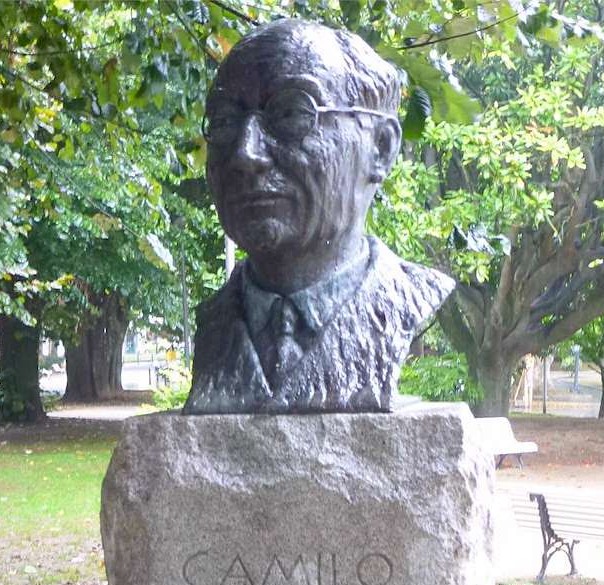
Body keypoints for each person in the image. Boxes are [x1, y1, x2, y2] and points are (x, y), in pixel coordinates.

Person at [184, 19, 454, 414]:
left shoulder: (405, 303)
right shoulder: (214, 325)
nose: (246, 154)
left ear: (380, 148)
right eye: (225, 122)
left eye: (291, 114)